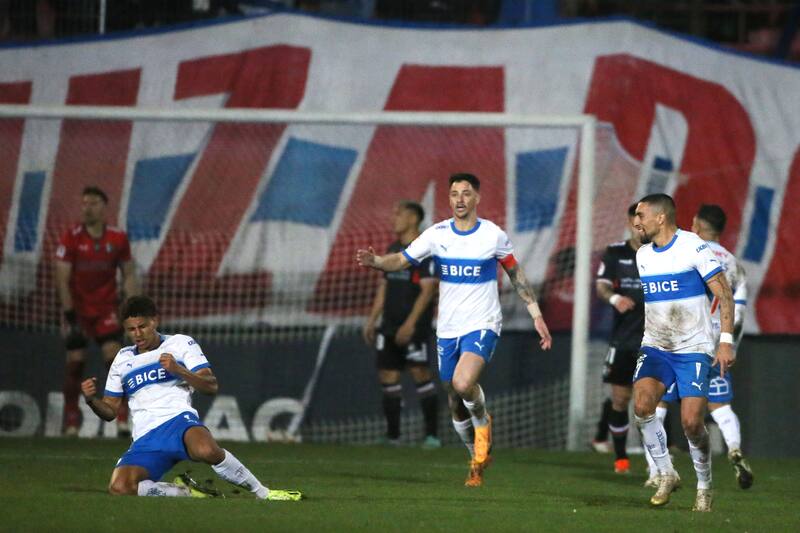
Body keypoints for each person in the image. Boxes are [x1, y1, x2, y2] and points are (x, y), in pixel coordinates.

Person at [357, 173, 552, 487]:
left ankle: (483, 422)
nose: (459, 199)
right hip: (447, 328)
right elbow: (402, 260)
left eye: (466, 193)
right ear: (449, 200)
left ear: (476, 198)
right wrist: (377, 260)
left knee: (463, 383)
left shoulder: (492, 235)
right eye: (454, 194)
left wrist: (536, 314)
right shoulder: (437, 234)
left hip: (483, 322)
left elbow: (516, 274)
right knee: (453, 398)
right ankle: (475, 460)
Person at [80, 295, 302, 500]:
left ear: (155, 321)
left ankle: (263, 493)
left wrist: (179, 370)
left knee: (207, 450)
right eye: (131, 329)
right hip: (145, 437)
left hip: (178, 422)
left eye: (142, 326)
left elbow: (210, 385)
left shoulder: (180, 343)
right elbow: (110, 410)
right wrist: (91, 400)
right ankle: (183, 491)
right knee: (119, 488)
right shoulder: (122, 358)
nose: (137, 334)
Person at [631, 193, 736, 512]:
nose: (636, 222)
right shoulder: (643, 255)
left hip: (693, 348)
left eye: (641, 215)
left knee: (691, 422)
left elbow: (725, 292)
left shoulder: (693, 247)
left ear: (661, 217)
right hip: (656, 345)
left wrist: (726, 340)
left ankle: (704, 486)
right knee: (642, 406)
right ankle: (666, 472)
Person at [649, 205, 753, 489]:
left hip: (680, 341)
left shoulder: (686, 249)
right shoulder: (733, 264)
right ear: (721, 230)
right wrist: (729, 346)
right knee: (719, 405)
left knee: (658, 402)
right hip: (716, 345)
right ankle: (733, 447)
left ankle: (657, 471)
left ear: (695, 224)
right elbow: (738, 312)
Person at [55, 186, 139, 437]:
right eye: (84, 203)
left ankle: (122, 417)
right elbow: (62, 277)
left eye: (92, 203)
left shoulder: (117, 238)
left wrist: (132, 307)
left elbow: (129, 274)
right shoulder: (71, 237)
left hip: (106, 309)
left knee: (114, 360)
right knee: (75, 362)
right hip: (78, 311)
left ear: (104, 207)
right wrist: (69, 314)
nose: (87, 208)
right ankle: (71, 420)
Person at [362, 201, 441, 448]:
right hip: (389, 325)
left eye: (399, 214)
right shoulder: (394, 248)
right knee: (388, 375)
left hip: (413, 326)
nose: (393, 218)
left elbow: (428, 290)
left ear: (413, 218)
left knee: (420, 374)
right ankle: (393, 437)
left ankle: (432, 436)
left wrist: (410, 324)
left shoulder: (424, 249)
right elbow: (385, 286)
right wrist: (372, 319)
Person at [594, 203, 644, 474]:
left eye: (643, 218)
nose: (639, 224)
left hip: (655, 340)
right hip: (624, 339)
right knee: (620, 399)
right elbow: (601, 284)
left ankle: (655, 462)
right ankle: (621, 458)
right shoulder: (616, 252)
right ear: (628, 221)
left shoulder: (661, 252)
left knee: (652, 403)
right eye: (635, 218)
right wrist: (614, 298)